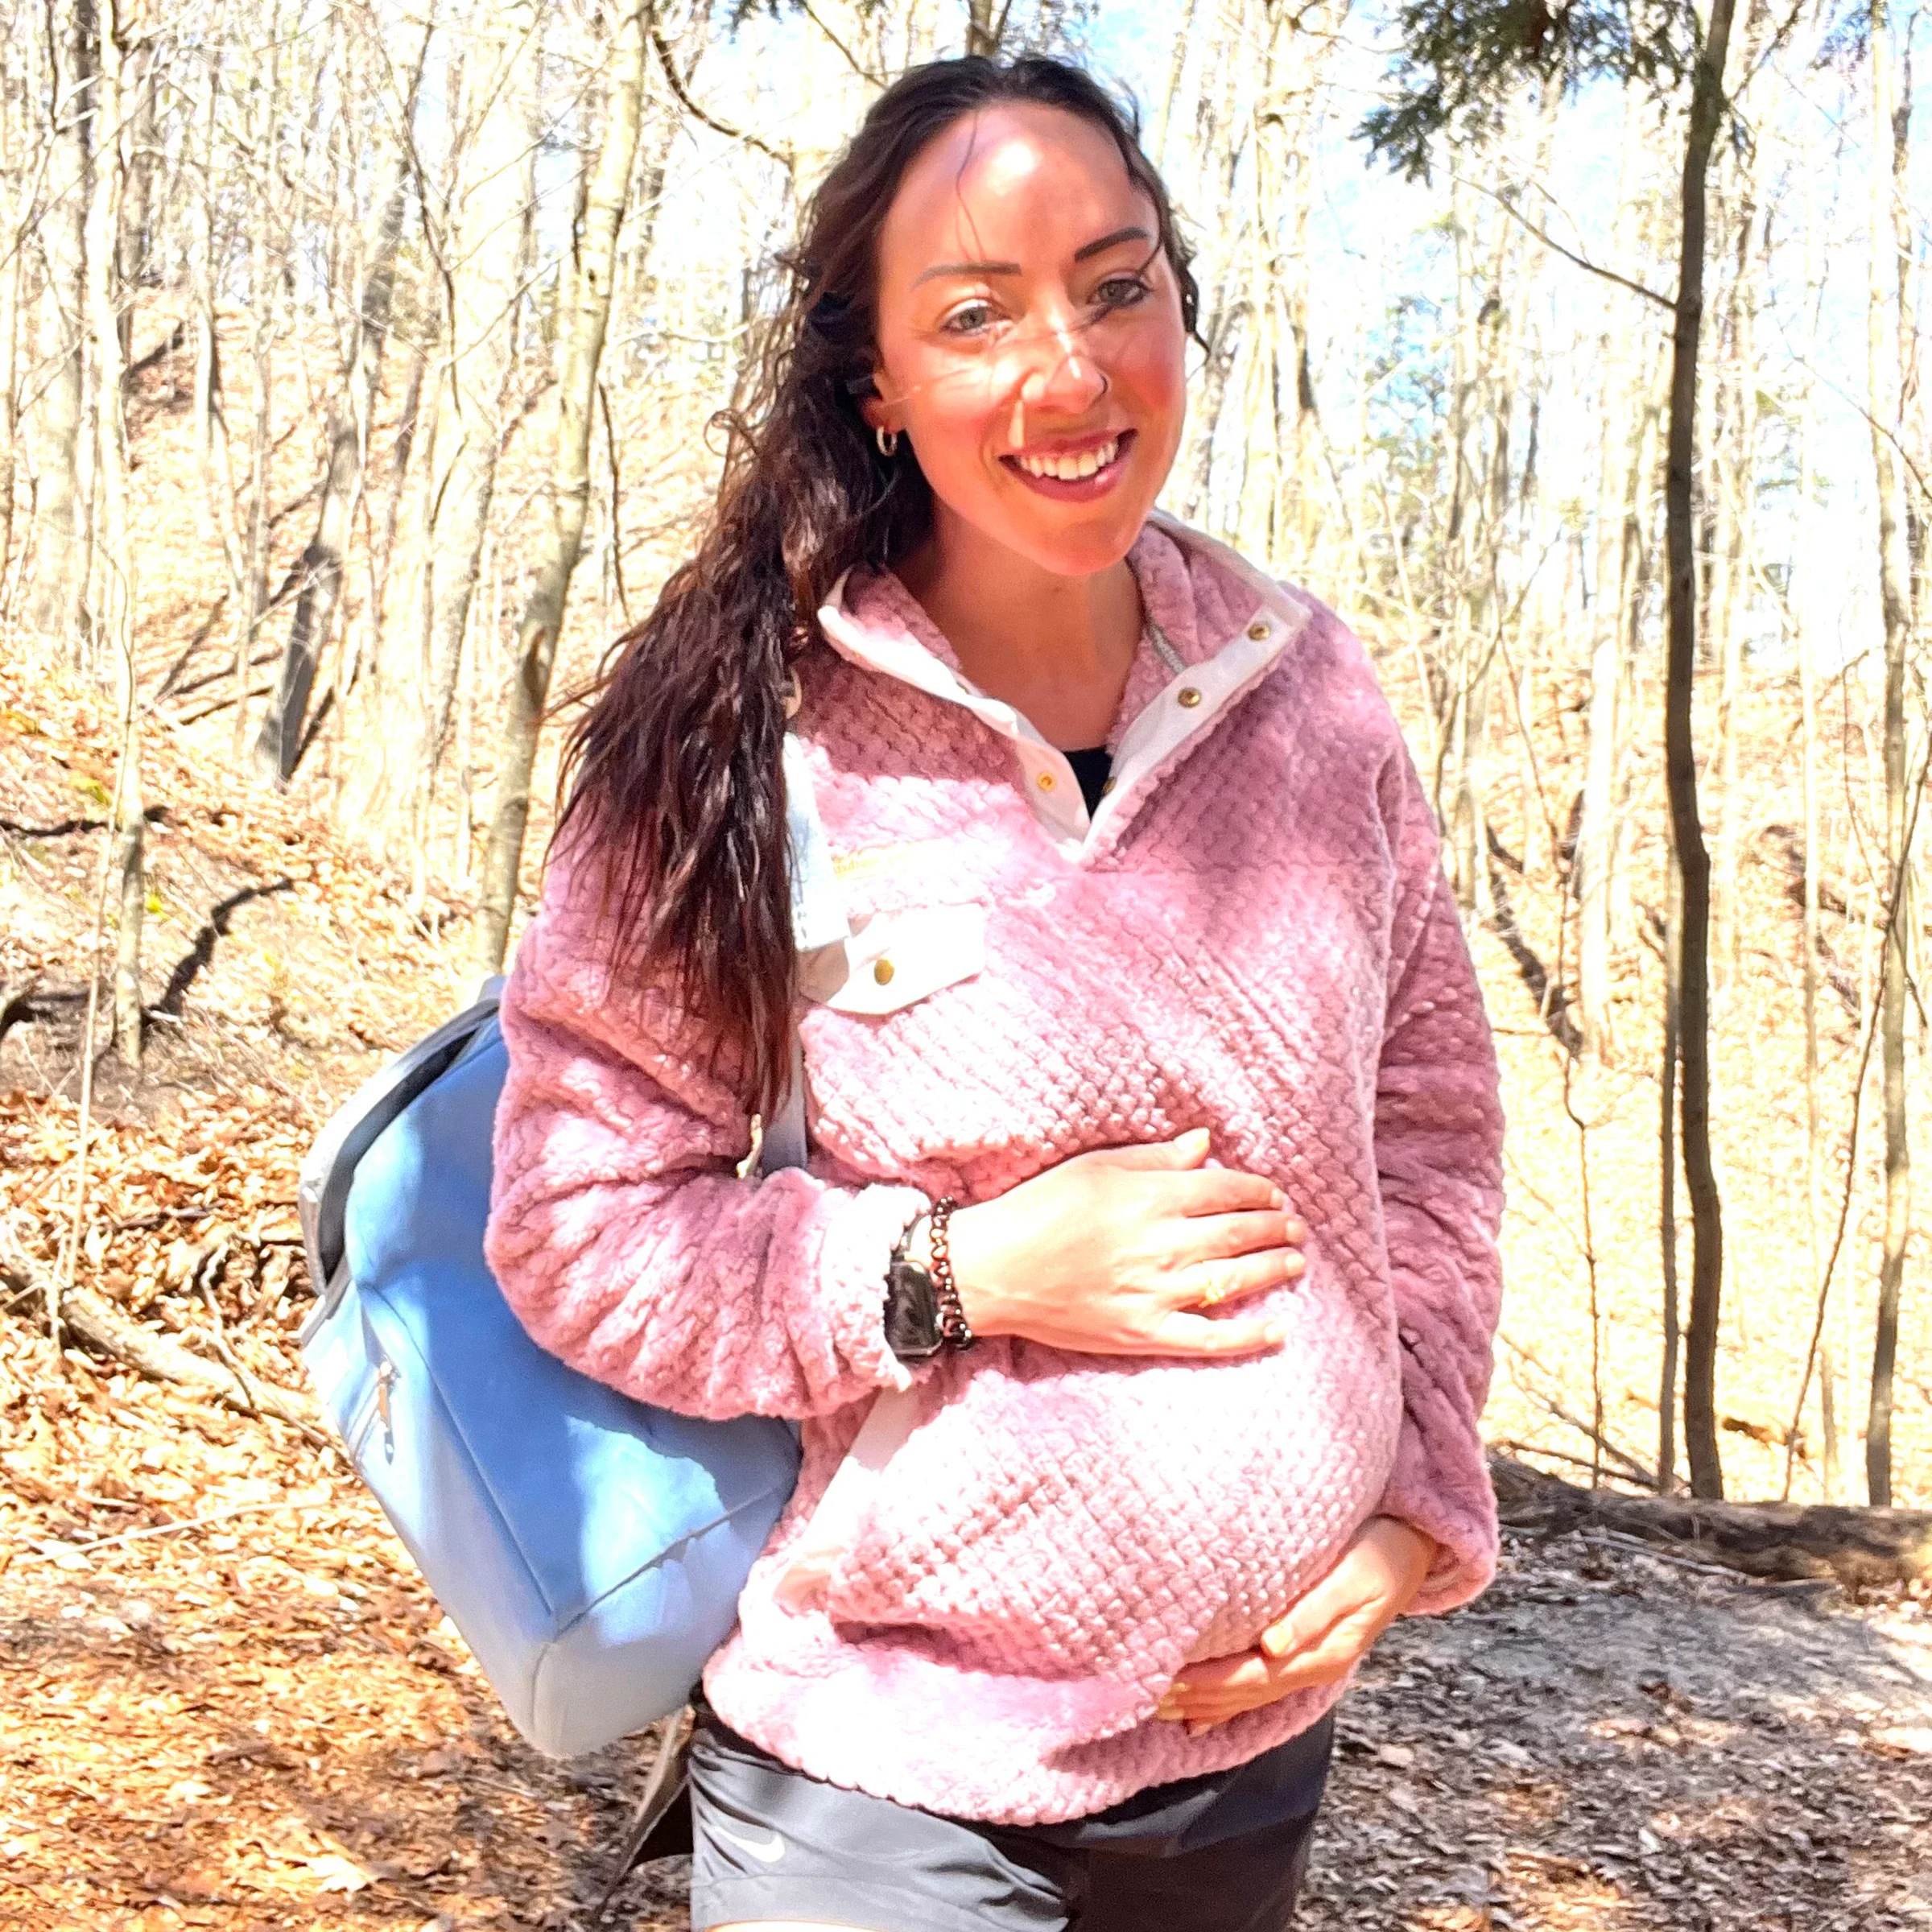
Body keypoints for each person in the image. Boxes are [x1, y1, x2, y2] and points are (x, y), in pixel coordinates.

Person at [485, 52, 1504, 1932]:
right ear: (875, 379)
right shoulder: (743, 742)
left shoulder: (1314, 699)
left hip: (1250, 1756)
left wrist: (1414, 1496)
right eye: (977, 313)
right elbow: (578, 1227)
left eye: (1118, 286)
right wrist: (961, 1272)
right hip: (884, 1791)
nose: (1070, 371)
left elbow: (1427, 1131)